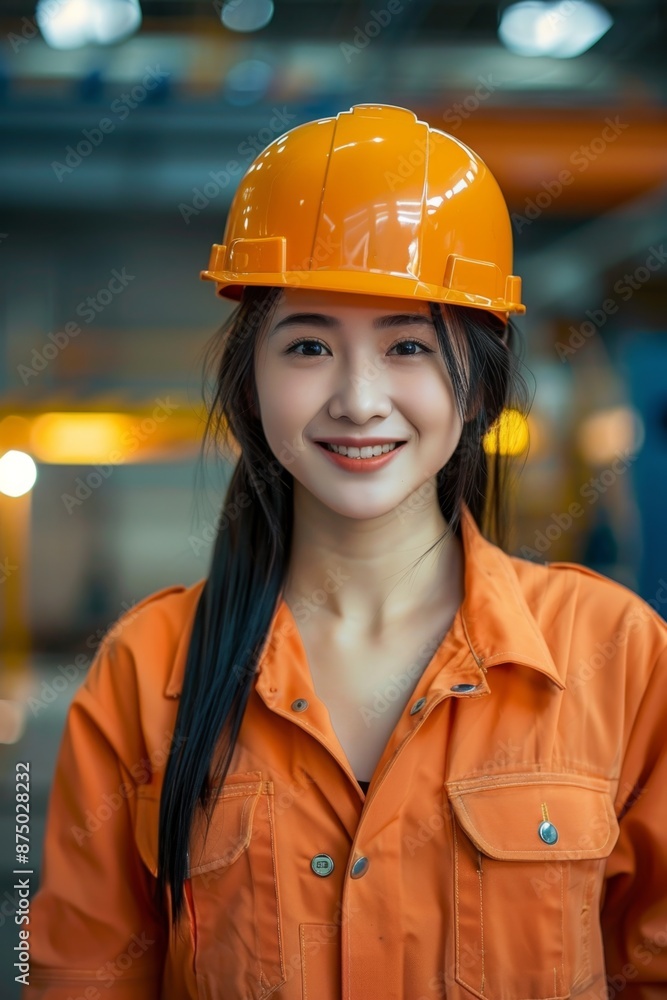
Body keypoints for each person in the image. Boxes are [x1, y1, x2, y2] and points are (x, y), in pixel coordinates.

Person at [24, 104, 667, 1000]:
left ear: (479, 380)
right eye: (309, 345)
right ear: (251, 383)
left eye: (407, 344)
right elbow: (78, 974)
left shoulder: (617, 656)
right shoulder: (146, 670)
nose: (359, 400)